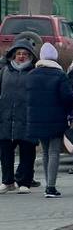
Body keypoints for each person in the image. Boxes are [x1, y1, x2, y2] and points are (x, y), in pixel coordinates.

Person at [27, 44, 73, 197]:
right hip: (56, 117)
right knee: (54, 151)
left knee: (46, 152)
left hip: (37, 118)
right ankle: (51, 187)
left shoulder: (32, 74)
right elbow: (67, 97)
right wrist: (72, 110)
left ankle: (48, 184)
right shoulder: (59, 75)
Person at [0, 39, 38, 193]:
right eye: (18, 54)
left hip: (27, 118)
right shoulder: (4, 71)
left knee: (27, 152)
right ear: (13, 55)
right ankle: (7, 181)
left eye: (25, 54)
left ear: (30, 56)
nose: (21, 56)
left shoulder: (34, 72)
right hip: (6, 118)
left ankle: (24, 182)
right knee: (6, 152)